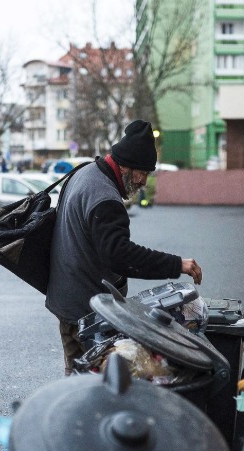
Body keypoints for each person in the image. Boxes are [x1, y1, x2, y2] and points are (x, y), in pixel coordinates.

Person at [45, 119, 203, 376]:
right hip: (88, 311)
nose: (143, 183)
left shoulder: (83, 174)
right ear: (127, 167)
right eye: (144, 173)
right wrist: (178, 264)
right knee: (96, 388)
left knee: (76, 379)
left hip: (68, 301)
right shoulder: (105, 199)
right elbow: (120, 256)